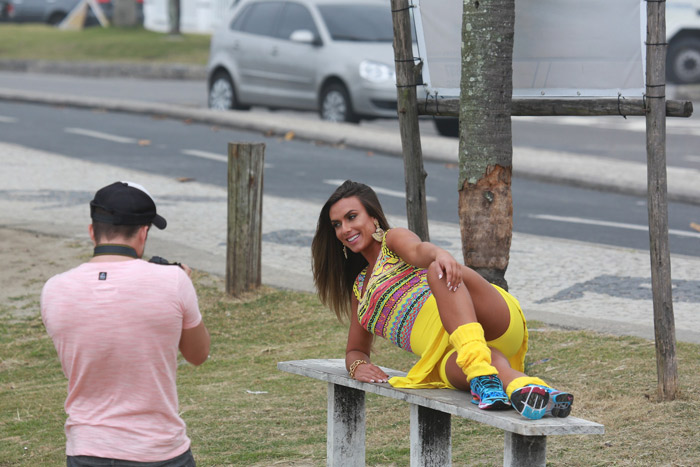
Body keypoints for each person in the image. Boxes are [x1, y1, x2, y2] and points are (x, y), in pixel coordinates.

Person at [311, 180, 573, 420]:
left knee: (438, 270)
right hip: (450, 354)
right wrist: (357, 366)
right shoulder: (360, 290)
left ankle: (481, 374)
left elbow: (419, 250)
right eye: (337, 224)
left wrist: (440, 253)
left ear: (374, 218)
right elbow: (355, 350)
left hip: (489, 317)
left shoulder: (393, 241)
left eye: (351, 217)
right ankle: (535, 391)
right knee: (475, 362)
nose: (345, 229)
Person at [41, 181, 210, 466]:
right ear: (144, 233)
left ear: (92, 231)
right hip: (159, 450)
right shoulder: (173, 281)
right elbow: (198, 354)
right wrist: (180, 285)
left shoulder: (54, 289)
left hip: (87, 450)